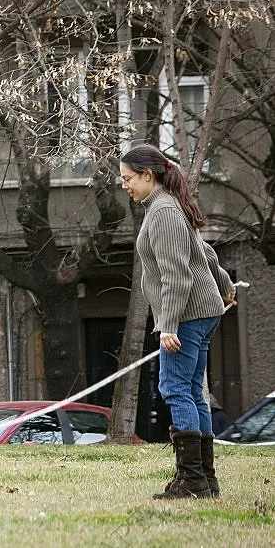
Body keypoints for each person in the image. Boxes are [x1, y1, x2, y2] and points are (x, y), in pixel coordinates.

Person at [120, 144, 235, 499]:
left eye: (128, 179)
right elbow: (203, 251)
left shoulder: (164, 211)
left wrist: (167, 325)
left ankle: (191, 480)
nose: (124, 185)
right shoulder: (166, 205)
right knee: (193, 393)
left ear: (147, 175)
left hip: (187, 314)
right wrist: (225, 283)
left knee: (174, 388)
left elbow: (177, 276)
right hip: (202, 311)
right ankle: (205, 480)